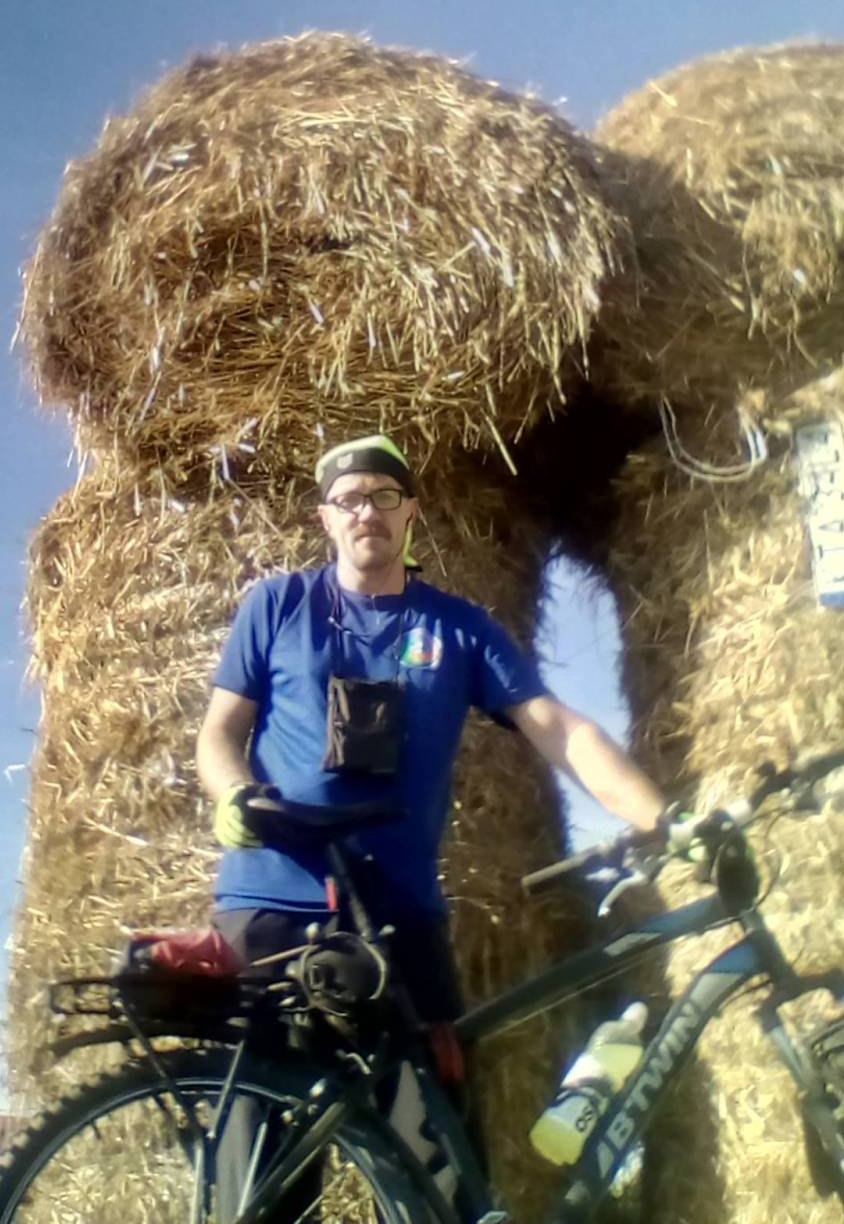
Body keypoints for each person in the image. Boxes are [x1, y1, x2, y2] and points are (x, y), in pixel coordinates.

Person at [196, 433, 666, 1216]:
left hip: (399, 916)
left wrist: (657, 816)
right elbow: (218, 733)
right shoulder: (276, 605)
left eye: (384, 496)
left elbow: (557, 727)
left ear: (410, 511)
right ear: (325, 516)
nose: (367, 512)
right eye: (349, 499)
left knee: (440, 1166)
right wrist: (233, 794)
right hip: (273, 905)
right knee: (261, 1172)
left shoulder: (458, 628)